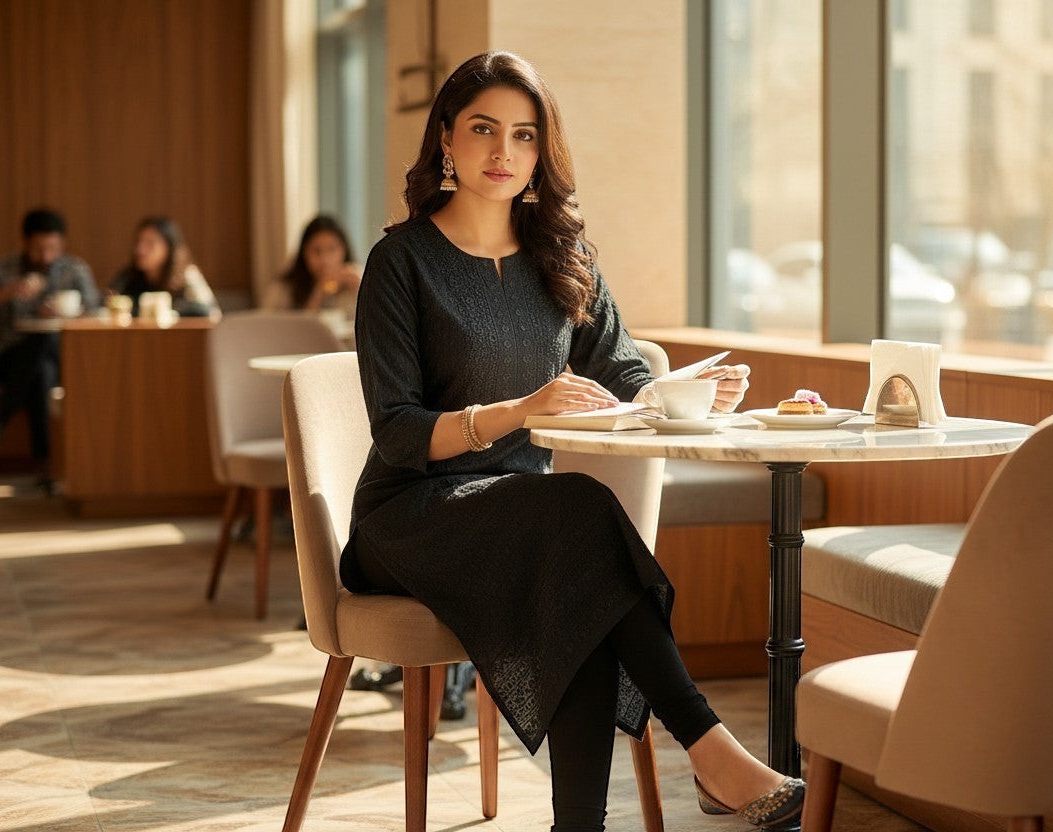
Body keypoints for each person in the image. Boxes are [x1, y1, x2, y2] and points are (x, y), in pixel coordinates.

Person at [342, 52, 804, 832]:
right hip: (409, 516)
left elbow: (626, 371)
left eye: (524, 136)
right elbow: (396, 432)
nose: (503, 153)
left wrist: (682, 389)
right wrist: (519, 409)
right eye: (483, 129)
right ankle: (708, 745)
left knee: (578, 564)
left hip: (527, 520)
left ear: (539, 155)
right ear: (446, 140)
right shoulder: (401, 262)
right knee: (577, 523)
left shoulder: (563, 258)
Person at [0, 208, 99, 483]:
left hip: (63, 359)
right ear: (25, 243)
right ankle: (47, 468)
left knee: (44, 361)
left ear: (63, 244)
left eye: (53, 248)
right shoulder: (5, 269)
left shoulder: (75, 270)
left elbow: (96, 311)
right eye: (39, 248)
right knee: (40, 366)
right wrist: (9, 291)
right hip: (7, 359)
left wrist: (68, 314)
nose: (46, 256)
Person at [110, 216, 219, 318]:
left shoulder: (187, 275)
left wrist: (165, 311)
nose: (140, 250)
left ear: (169, 248)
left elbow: (211, 312)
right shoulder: (128, 276)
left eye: (150, 243)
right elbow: (110, 303)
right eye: (139, 242)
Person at [262, 214, 361, 318]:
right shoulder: (284, 290)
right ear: (304, 253)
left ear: (344, 250)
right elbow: (266, 327)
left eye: (332, 249)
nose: (325, 260)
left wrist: (360, 289)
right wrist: (318, 294)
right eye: (317, 251)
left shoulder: (357, 278)